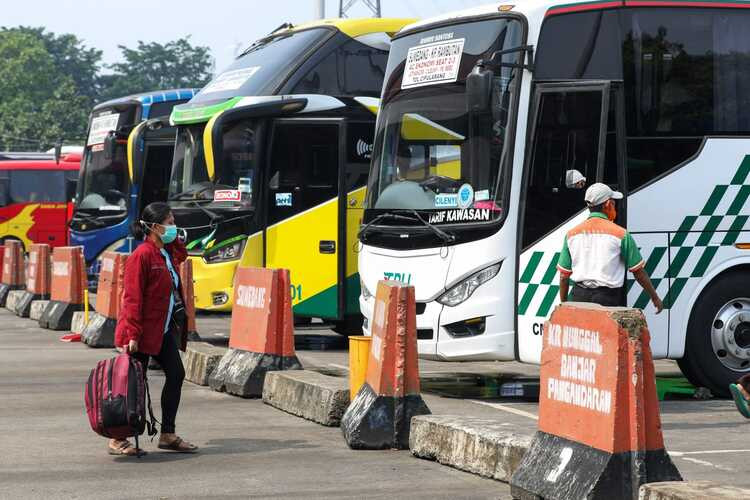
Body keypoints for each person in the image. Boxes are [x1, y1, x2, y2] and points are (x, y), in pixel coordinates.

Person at [109, 202, 198, 456]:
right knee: (133, 384)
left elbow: (182, 254)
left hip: (162, 329)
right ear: (155, 226)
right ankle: (117, 438)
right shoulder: (142, 256)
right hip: (141, 332)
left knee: (176, 373)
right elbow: (132, 298)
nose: (174, 227)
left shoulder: (165, 254)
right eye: (169, 222)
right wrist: (132, 334)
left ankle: (167, 434)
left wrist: (174, 240)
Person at [557, 183, 663, 312]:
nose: (614, 207)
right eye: (613, 203)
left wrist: (563, 304)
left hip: (579, 297)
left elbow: (564, 276)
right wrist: (655, 298)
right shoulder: (621, 234)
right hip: (607, 299)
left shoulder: (571, 234)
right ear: (607, 204)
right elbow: (639, 272)